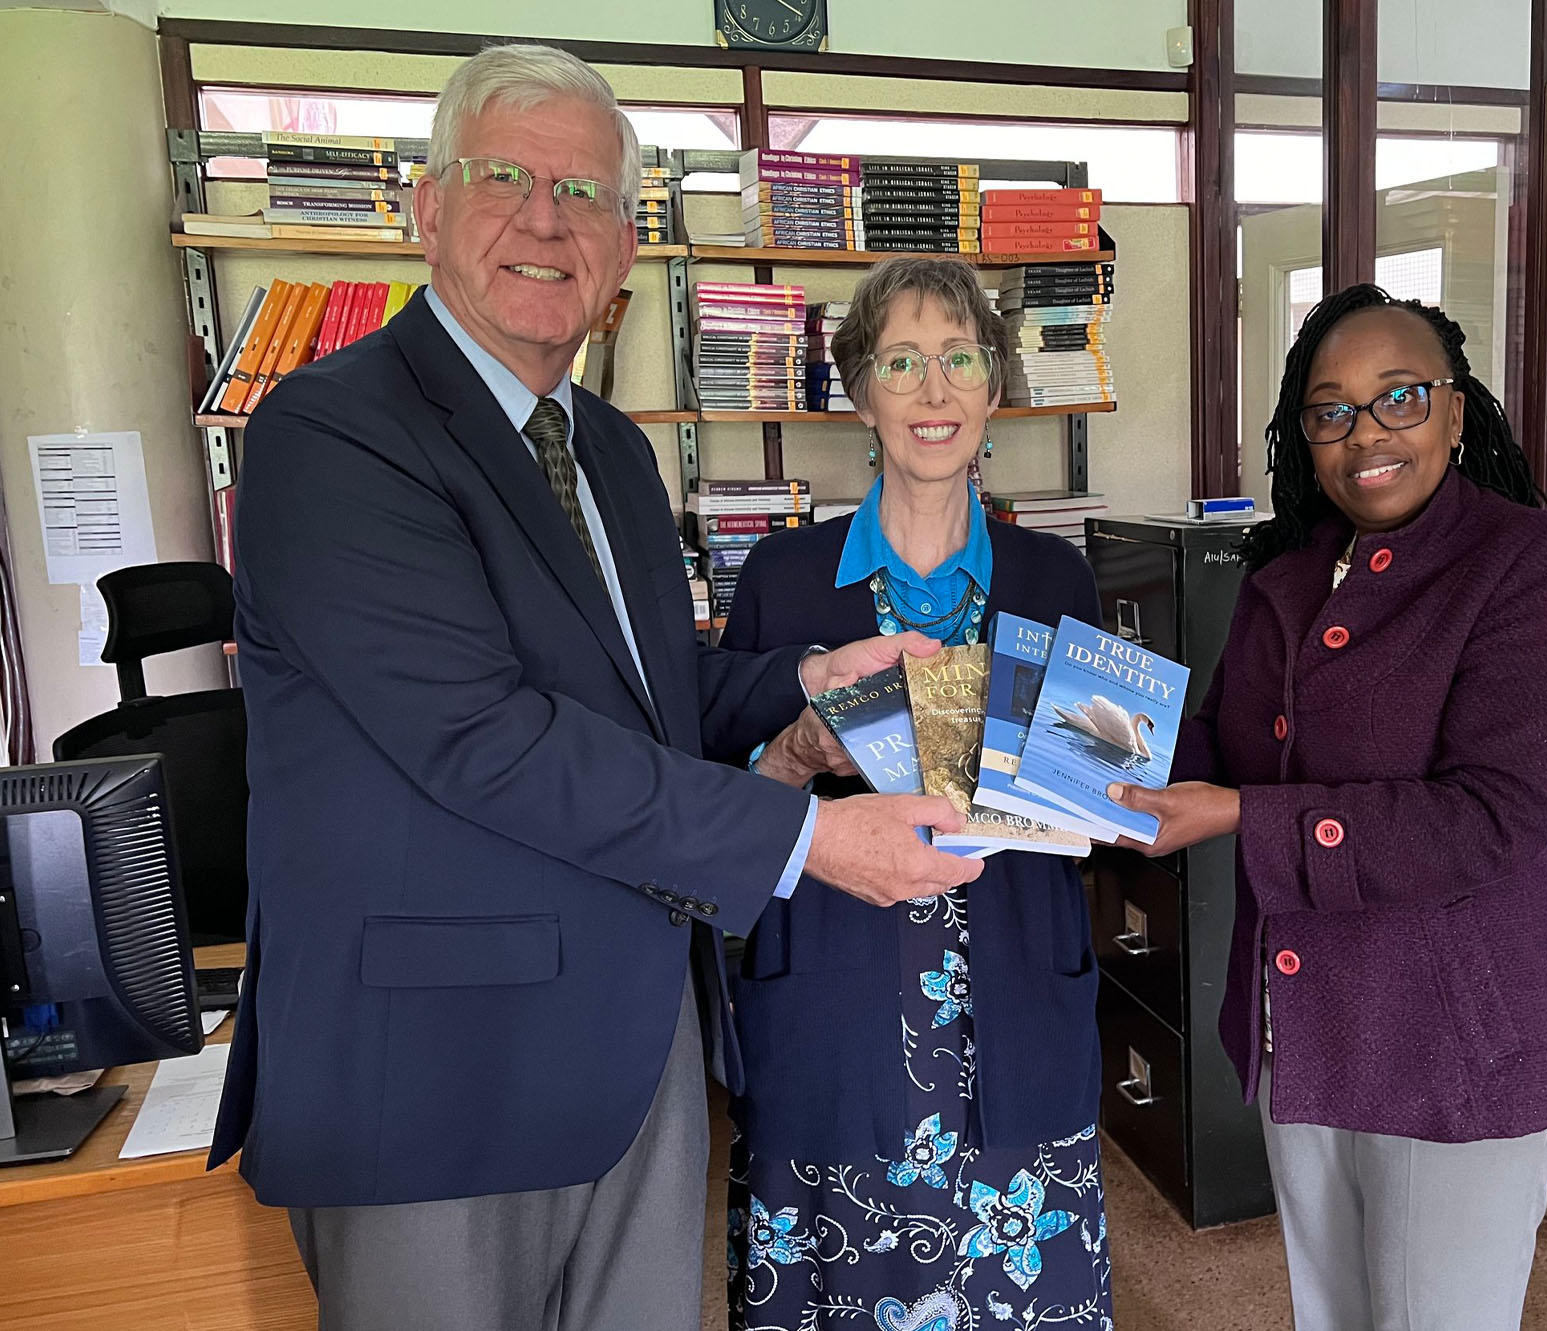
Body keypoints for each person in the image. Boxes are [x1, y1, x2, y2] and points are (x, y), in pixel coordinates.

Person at [210, 45, 983, 1331]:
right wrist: (805, 836)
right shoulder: (329, 434)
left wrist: (805, 681)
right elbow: (484, 737)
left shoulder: (611, 447)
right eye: (504, 174)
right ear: (424, 206)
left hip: (637, 1044)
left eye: (586, 196)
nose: (545, 219)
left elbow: (646, 680)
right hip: (442, 1074)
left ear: (625, 248)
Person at [1112, 284, 1547, 1330]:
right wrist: (1086, 754)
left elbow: (1488, 817)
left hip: (1457, 1038)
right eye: (1330, 409)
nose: (1364, 434)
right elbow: (1220, 742)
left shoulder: (1533, 563)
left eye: (1399, 398)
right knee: (1333, 1314)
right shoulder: (1285, 575)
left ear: (1456, 409)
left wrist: (1235, 816)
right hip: (1303, 1017)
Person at [719, 256, 1114, 1330]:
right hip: (837, 1000)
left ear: (993, 389)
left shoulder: (1054, 578)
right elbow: (732, 801)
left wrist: (1106, 777)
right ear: (860, 391)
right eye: (902, 361)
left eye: (958, 359)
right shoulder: (781, 580)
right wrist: (797, 750)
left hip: (1016, 1001)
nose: (932, 391)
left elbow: (1095, 799)